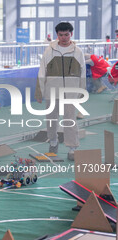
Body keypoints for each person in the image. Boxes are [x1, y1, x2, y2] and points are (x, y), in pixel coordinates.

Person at [35, 22, 86, 161]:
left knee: (70, 119)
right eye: (61, 35)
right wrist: (39, 90)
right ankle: (53, 141)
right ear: (57, 35)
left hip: (71, 91)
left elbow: (82, 72)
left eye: (66, 34)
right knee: (51, 118)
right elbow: (42, 71)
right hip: (52, 90)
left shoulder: (78, 52)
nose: (64, 37)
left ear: (71, 34)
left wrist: (82, 90)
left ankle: (72, 148)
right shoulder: (49, 51)